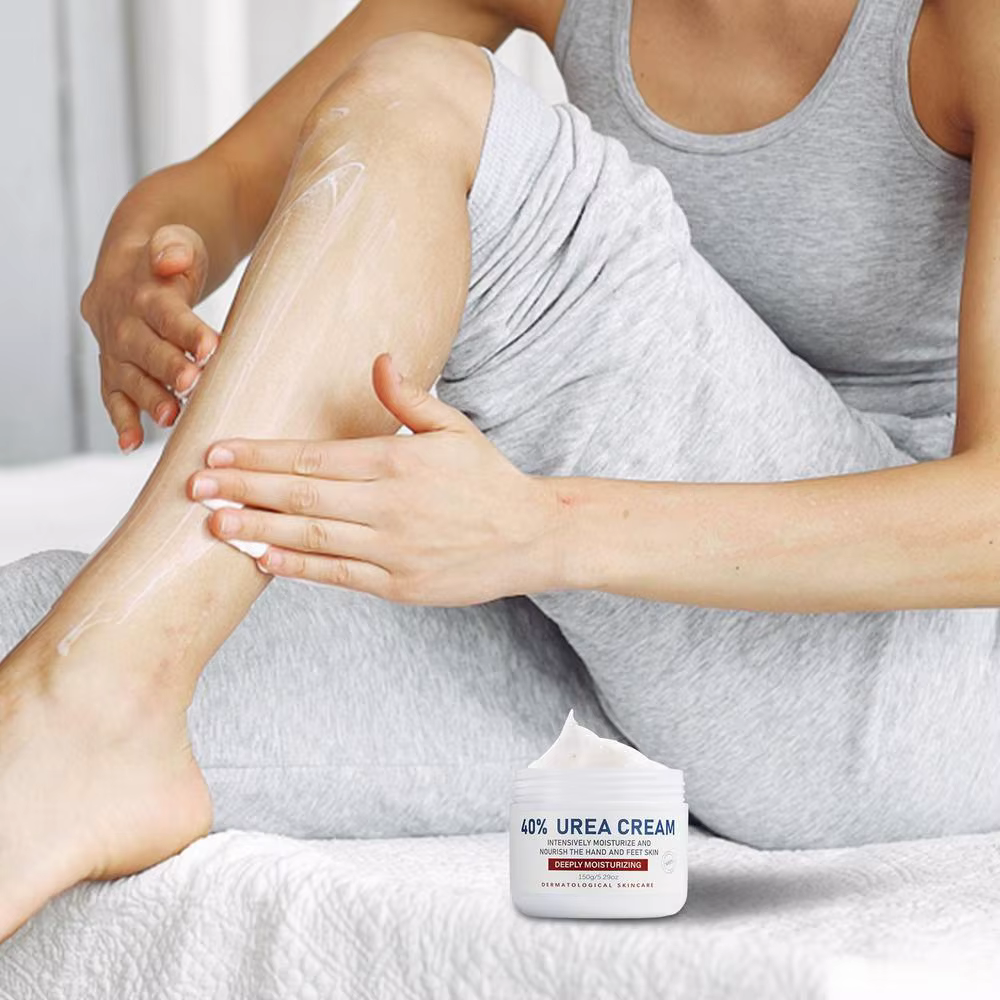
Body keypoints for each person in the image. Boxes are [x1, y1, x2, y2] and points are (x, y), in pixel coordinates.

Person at [1, 0, 998, 943]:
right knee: (48, 625)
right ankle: (91, 712)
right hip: (629, 640)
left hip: (888, 684)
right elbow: (218, 189)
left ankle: (87, 707)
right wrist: (147, 262)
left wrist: (542, 531)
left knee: (423, 96)